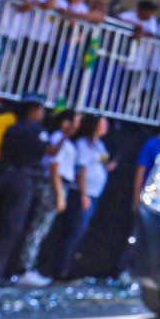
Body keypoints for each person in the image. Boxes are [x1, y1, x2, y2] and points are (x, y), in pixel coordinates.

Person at [0, 100, 46, 287]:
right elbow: (48, 151)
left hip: (3, 174)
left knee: (0, 224)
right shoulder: (35, 130)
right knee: (11, 227)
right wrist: (66, 135)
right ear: (33, 111)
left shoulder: (11, 128)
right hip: (22, 179)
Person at [12, 109, 78, 288]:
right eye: (74, 121)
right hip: (52, 185)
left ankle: (29, 267)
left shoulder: (63, 140)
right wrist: (59, 194)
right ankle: (24, 269)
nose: (77, 125)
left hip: (57, 185)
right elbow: (54, 166)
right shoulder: (57, 137)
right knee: (38, 228)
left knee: (41, 229)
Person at [52, 113, 110, 282]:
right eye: (103, 123)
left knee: (80, 232)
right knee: (74, 231)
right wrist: (84, 195)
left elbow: (101, 162)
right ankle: (61, 271)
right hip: (82, 194)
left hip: (93, 194)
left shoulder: (99, 145)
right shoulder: (83, 144)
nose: (106, 126)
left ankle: (68, 268)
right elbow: (81, 171)